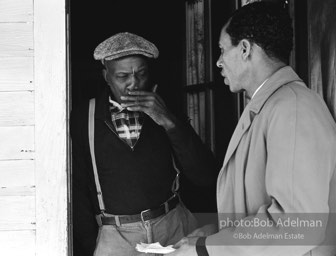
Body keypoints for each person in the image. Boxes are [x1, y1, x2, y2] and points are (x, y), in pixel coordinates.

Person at [169, 2, 336, 256]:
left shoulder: (292, 108)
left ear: (245, 49)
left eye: (223, 50)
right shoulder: (269, 106)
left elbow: (298, 226)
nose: (218, 62)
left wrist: (207, 248)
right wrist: (216, 231)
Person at [70, 32, 218, 256]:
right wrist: (92, 245)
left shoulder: (166, 108)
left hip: (172, 228)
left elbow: (204, 175)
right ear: (106, 76)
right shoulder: (84, 118)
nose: (133, 84)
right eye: (122, 76)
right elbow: (77, 190)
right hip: (115, 237)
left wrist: (167, 120)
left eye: (141, 74)